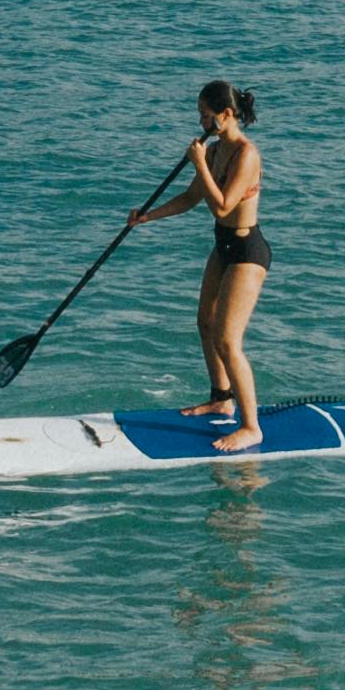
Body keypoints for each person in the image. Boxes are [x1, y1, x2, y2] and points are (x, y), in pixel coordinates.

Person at [123, 80, 271, 452]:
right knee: (204, 321)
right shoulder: (217, 147)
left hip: (247, 251)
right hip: (221, 246)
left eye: (207, 117)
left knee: (227, 339)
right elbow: (193, 196)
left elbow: (223, 205)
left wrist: (200, 162)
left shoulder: (245, 154)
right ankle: (222, 397)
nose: (202, 123)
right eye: (200, 117)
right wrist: (148, 216)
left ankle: (252, 426)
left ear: (226, 114)